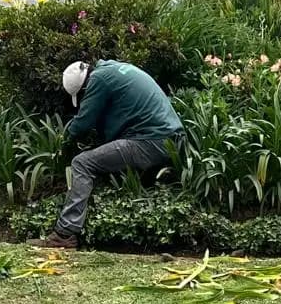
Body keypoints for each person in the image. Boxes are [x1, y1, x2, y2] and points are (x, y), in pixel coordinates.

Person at [31, 60, 183, 249]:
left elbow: (84, 122)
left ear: (84, 86)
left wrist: (64, 141)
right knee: (105, 154)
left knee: (82, 163)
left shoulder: (98, 81)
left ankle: (65, 234)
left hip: (150, 141)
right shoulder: (114, 69)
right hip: (169, 139)